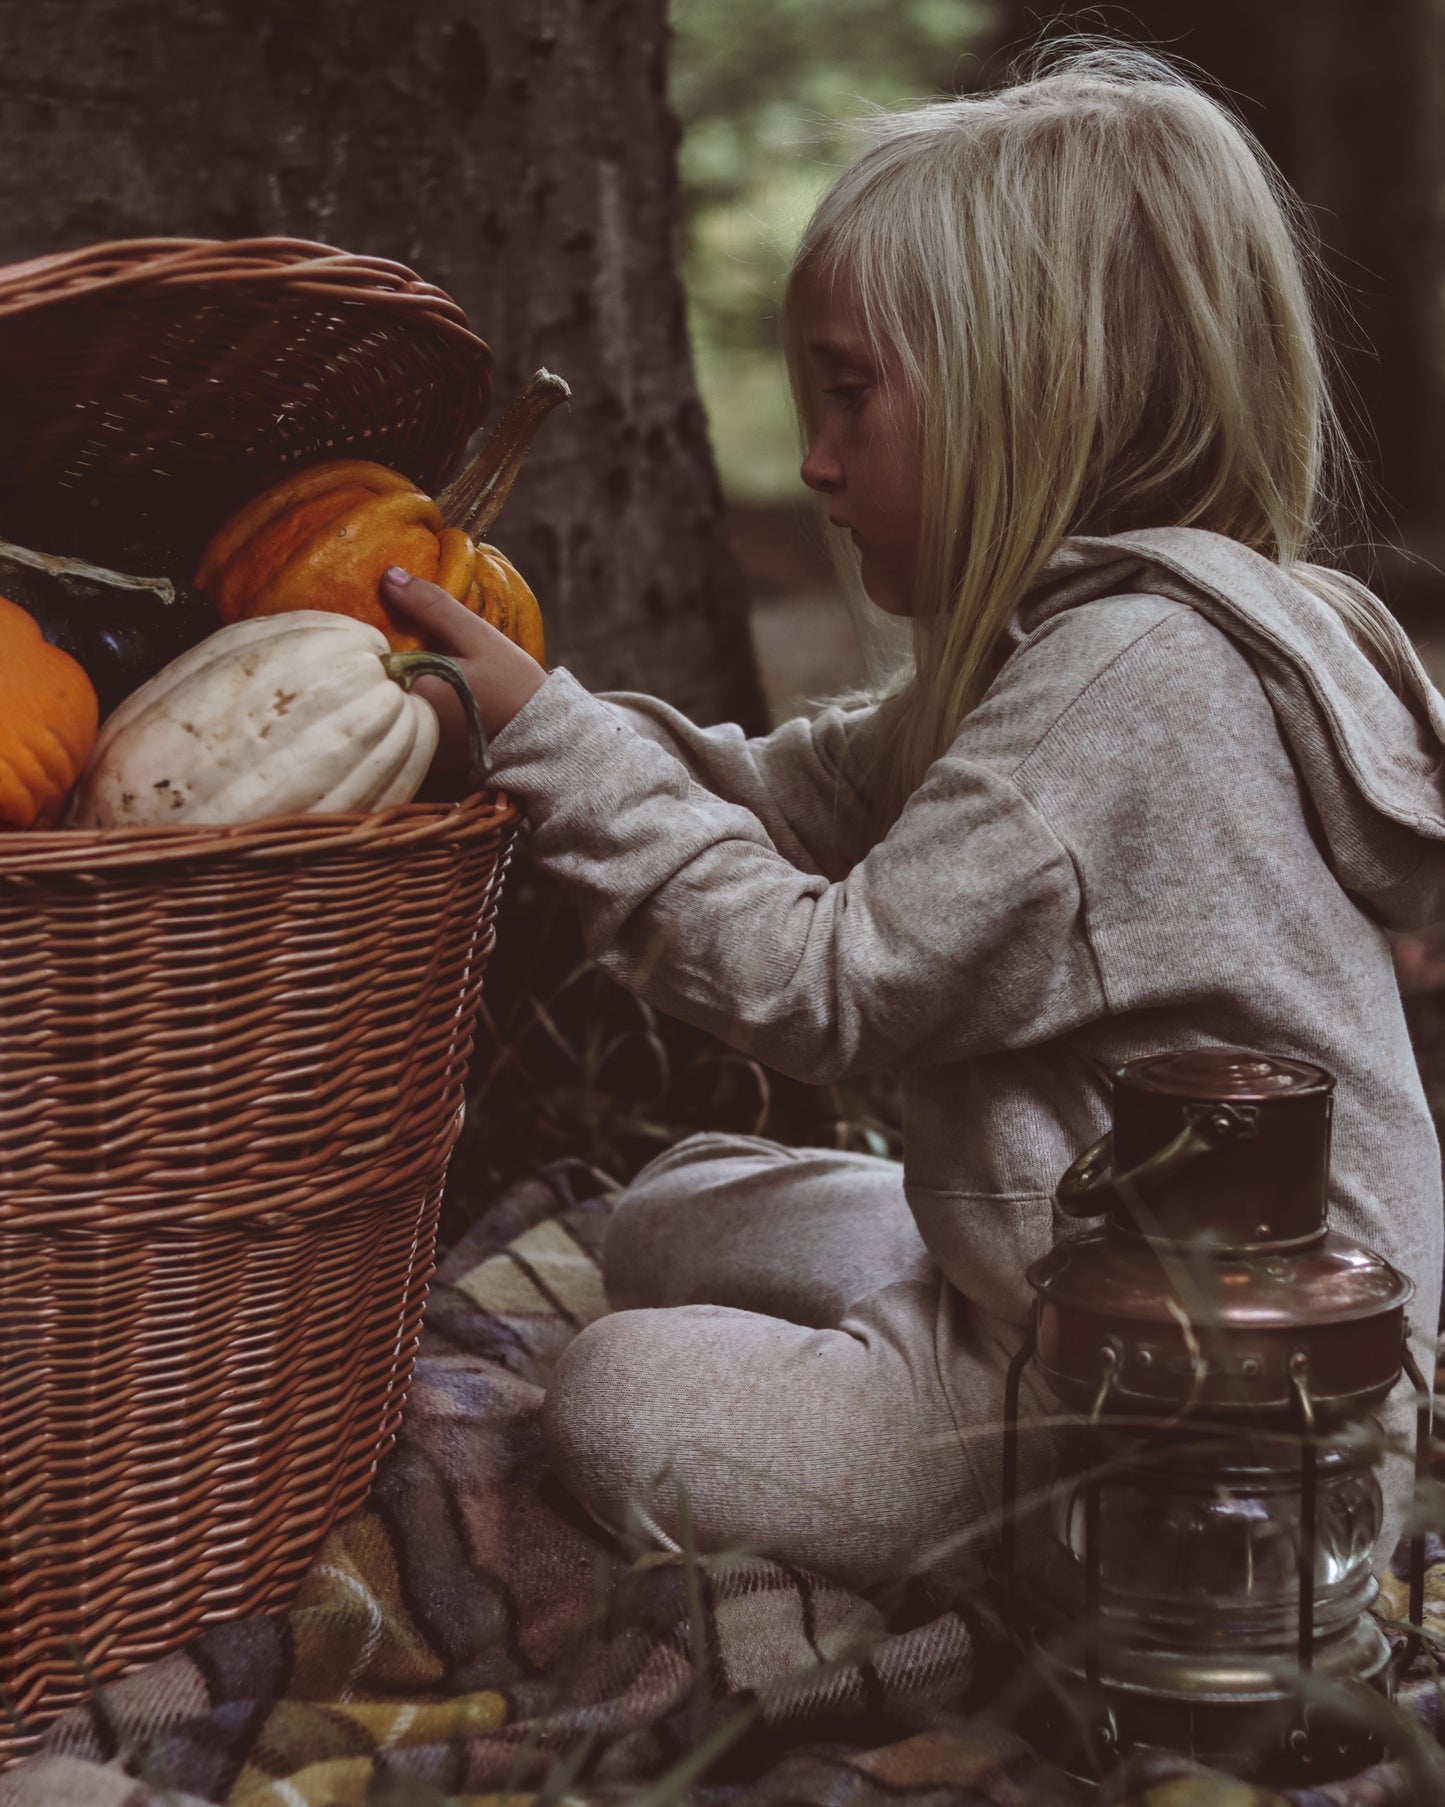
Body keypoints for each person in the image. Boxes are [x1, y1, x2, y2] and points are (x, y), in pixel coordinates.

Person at [378, 43, 1445, 1589]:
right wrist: (544, 722)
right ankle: (909, 1310)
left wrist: (545, 746)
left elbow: (820, 984)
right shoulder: (1113, 635)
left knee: (618, 1399)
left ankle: (1065, 1521)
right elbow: (802, 793)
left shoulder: (1131, 691)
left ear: (1036, 396)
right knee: (665, 1210)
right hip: (1074, 1244)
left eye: (853, 395)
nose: (813, 461)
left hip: (1184, 1393)